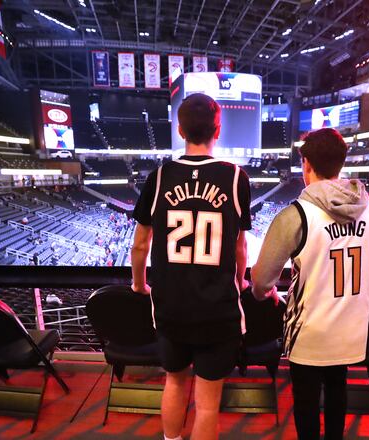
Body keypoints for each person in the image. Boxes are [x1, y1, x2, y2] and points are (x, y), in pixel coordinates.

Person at [250, 128, 369, 440]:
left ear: (306, 164)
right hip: (351, 327)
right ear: (341, 162)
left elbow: (261, 279)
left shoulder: (296, 214)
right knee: (338, 391)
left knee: (307, 402)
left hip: (308, 331)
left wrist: (265, 291)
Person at [130, 93, 251, 440]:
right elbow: (240, 248)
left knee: (174, 381)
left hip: (171, 306)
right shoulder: (234, 177)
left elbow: (140, 245)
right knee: (208, 403)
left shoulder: (159, 176)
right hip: (218, 309)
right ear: (218, 128)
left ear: (180, 130)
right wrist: (239, 281)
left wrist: (139, 285)